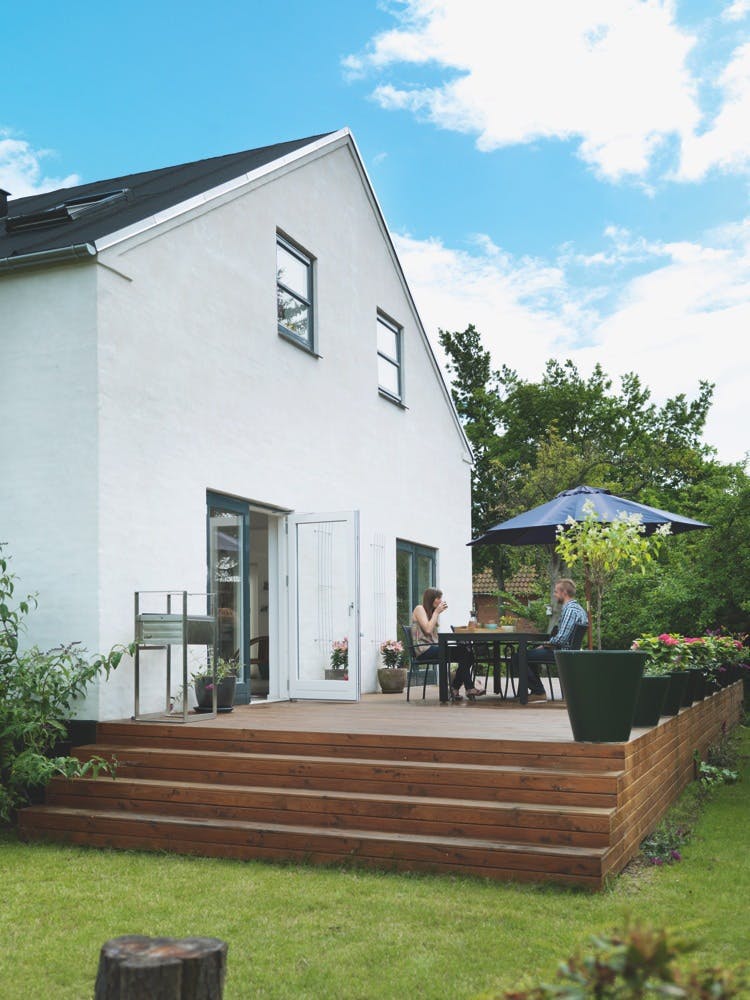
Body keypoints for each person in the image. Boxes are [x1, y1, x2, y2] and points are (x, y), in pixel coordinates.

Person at [521, 578, 588, 702]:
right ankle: (537, 691)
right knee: (529, 654)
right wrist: (545, 645)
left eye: (556, 591)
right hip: (569, 651)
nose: (554, 594)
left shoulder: (570, 610)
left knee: (520, 656)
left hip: (562, 652)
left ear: (564, 593)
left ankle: (538, 692)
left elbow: (561, 639)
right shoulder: (578, 609)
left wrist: (545, 645)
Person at [412, 587, 484, 701]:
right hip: (423, 650)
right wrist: (436, 612)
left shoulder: (431, 613)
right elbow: (428, 630)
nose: (440, 601)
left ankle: (456, 688)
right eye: (438, 598)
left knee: (468, 654)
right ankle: (465, 688)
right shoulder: (419, 609)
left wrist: (435, 613)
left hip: (434, 648)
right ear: (431, 598)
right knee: (464, 652)